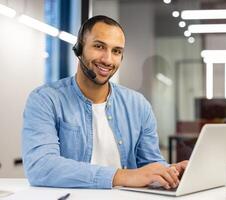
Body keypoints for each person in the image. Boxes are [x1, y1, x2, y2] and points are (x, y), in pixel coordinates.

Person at [22, 15, 187, 190]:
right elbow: (41, 167)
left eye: (116, 51)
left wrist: (170, 172)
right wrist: (122, 176)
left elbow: (150, 164)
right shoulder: (45, 99)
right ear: (79, 48)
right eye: (99, 46)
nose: (108, 60)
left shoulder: (138, 105)